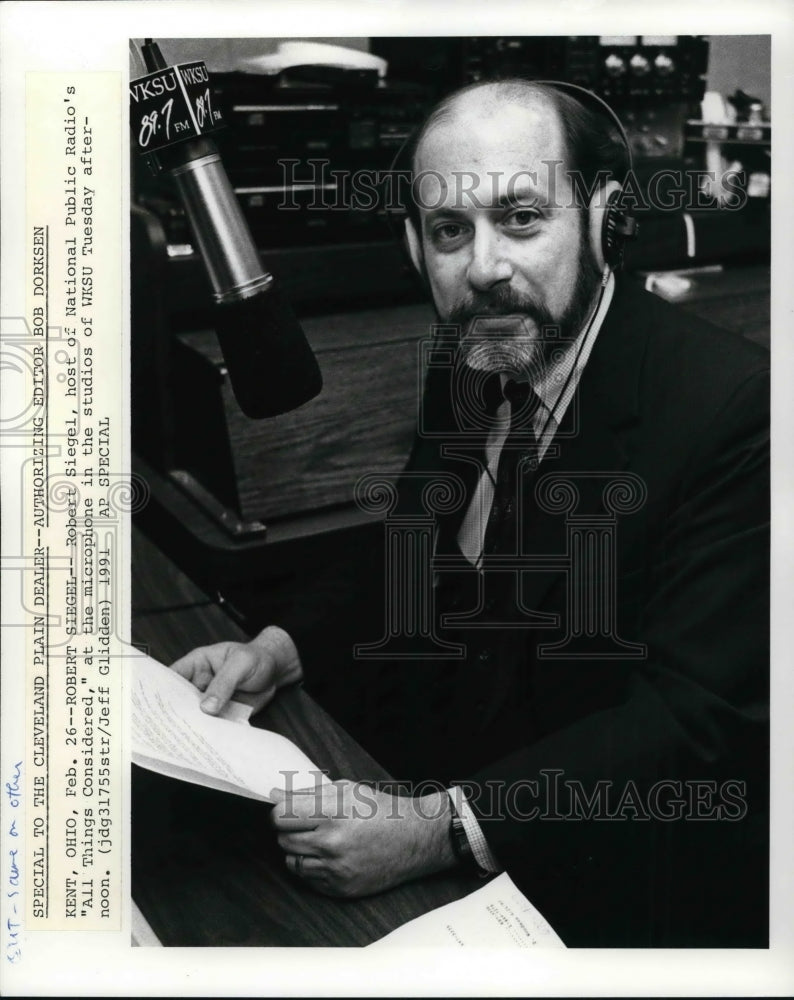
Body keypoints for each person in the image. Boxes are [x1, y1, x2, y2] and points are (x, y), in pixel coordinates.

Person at [171, 80, 769, 946]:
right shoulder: (479, 355)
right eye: (451, 230)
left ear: (602, 221)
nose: (484, 267)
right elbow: (413, 549)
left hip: (628, 893)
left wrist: (442, 828)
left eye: (521, 217)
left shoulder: (735, 411)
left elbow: (689, 722)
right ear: (416, 246)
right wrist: (279, 647)